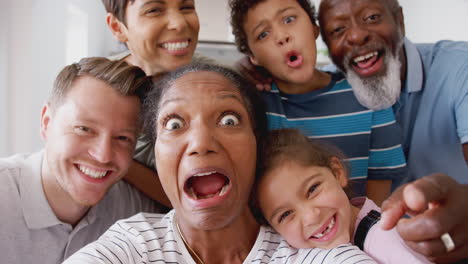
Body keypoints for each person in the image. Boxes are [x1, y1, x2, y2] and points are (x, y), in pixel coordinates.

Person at [64, 63, 376, 264]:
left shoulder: (306, 244)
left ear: (256, 143)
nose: (201, 143)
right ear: (155, 153)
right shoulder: (132, 244)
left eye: (229, 120)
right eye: (173, 124)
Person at [317, 0, 468, 262]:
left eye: (372, 17)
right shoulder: (324, 91)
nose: (355, 35)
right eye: (338, 30)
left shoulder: (458, 66)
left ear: (400, 20)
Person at [228, 0, 406, 205]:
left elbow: (377, 209)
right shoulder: (254, 110)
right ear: (253, 57)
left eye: (289, 19)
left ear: (314, 28)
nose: (282, 37)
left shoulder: (366, 96)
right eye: (263, 34)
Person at [0, 57, 166, 263]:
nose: (103, 155)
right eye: (84, 129)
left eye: (123, 138)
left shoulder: (133, 211)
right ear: (46, 122)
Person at [254, 128, 431, 263]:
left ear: (337, 173)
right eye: (285, 215)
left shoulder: (385, 238)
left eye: (312, 189)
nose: (310, 217)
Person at [101, 0, 216, 207]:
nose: (179, 23)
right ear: (117, 27)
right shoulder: (96, 88)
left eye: (186, 7)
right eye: (154, 10)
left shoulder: (216, 81)